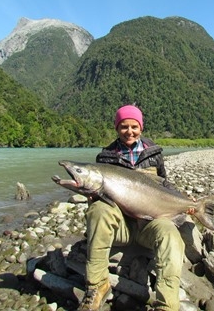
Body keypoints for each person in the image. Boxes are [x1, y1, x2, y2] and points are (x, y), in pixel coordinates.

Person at [78, 104, 185, 311]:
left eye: (134, 126)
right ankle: (97, 285)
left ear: (141, 128)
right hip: (122, 227)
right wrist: (92, 197)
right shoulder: (105, 158)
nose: (129, 131)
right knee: (98, 210)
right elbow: (100, 200)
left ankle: (167, 305)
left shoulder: (154, 154)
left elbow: (165, 185)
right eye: (124, 126)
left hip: (149, 226)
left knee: (170, 233)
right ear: (117, 128)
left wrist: (185, 204)